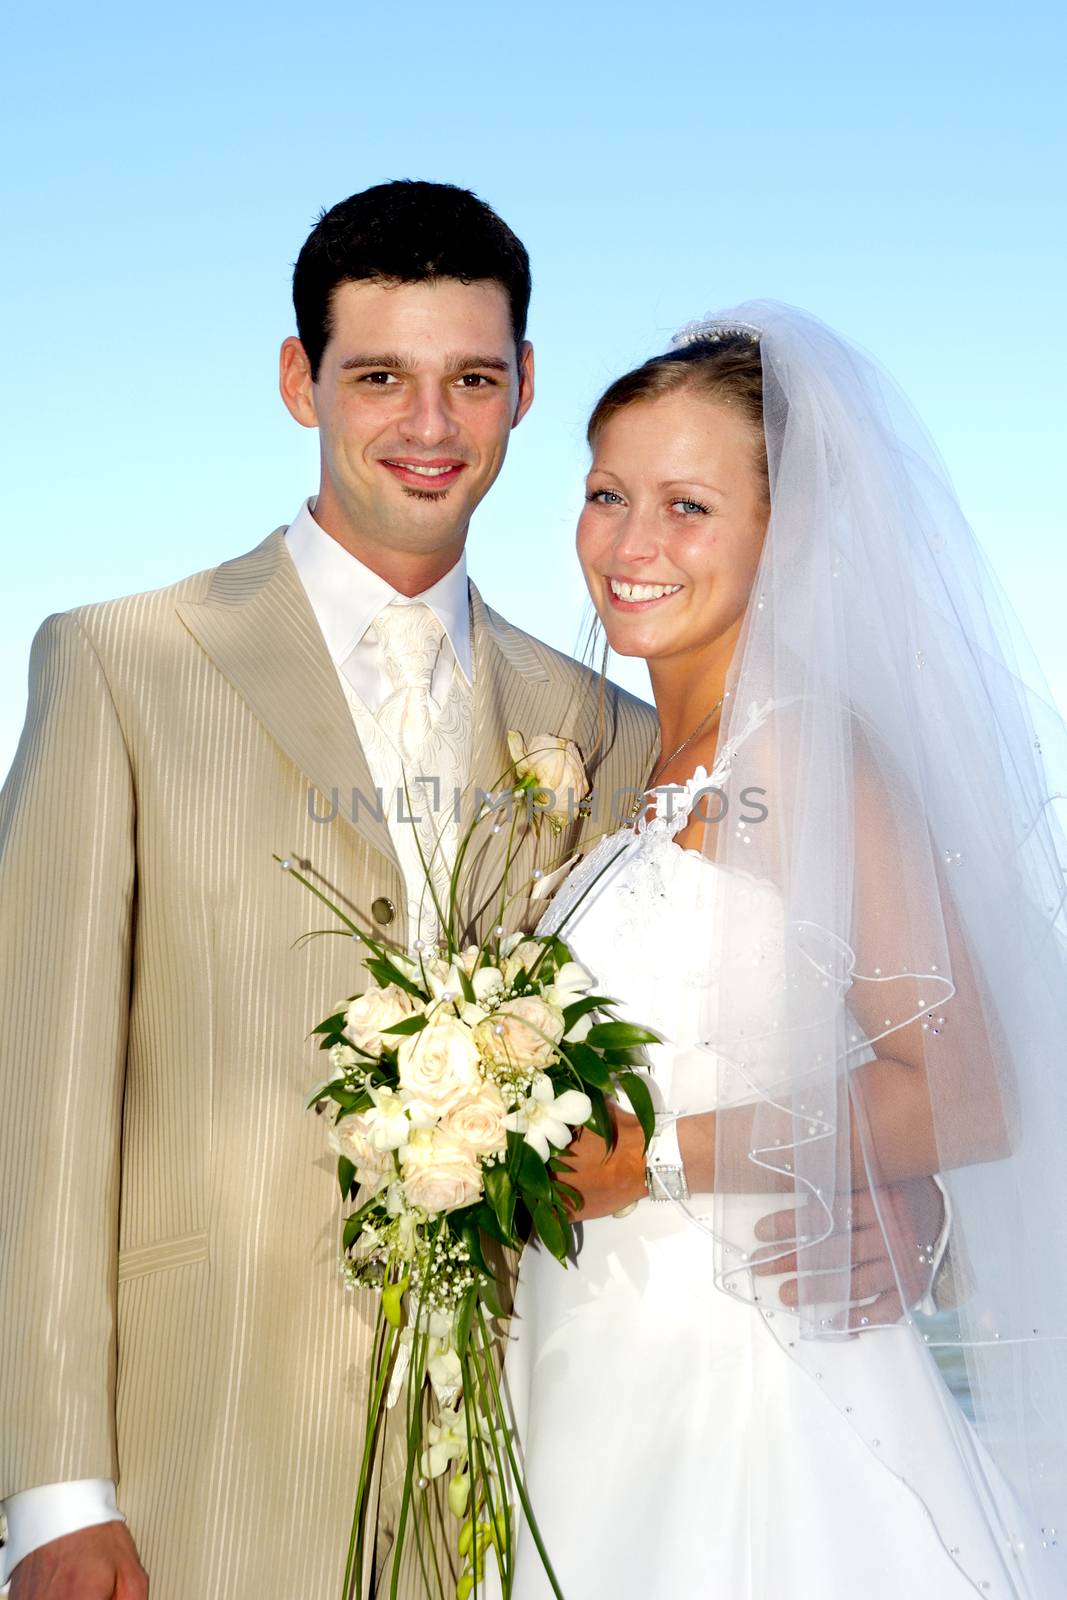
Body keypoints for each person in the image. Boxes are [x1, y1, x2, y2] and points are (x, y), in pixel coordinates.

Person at [0, 180, 659, 1600]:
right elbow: (34, 1100)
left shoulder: (607, 730)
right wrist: (54, 1489)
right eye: (380, 378)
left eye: (471, 379)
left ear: (524, 388)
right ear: (302, 382)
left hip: (526, 1464)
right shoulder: (121, 664)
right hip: (202, 1455)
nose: (430, 428)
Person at [503, 306, 1067, 1597]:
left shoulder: (801, 748)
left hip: (749, 1377)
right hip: (594, 1366)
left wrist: (647, 1161)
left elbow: (969, 1090)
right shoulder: (641, 774)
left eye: (687, 506)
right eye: (607, 494)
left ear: (788, 534)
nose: (631, 545)